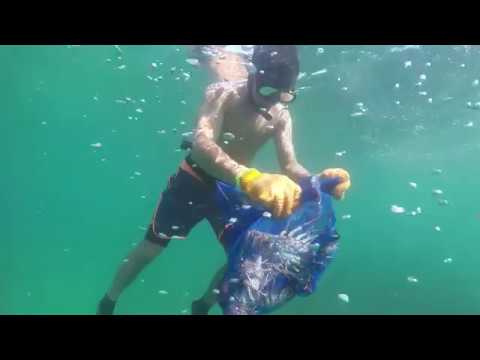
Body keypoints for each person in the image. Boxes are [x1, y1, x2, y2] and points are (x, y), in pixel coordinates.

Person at [97, 45, 312, 315]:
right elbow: (202, 142)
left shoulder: (281, 113)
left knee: (246, 255)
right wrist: (245, 175)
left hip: (234, 188)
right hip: (194, 178)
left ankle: (202, 306)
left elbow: (290, 164)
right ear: (253, 76)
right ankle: (109, 300)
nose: (273, 102)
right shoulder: (223, 93)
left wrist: (319, 181)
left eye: (284, 95)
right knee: (152, 248)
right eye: (269, 92)